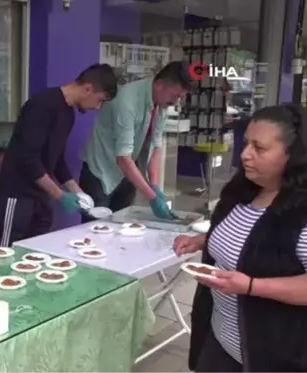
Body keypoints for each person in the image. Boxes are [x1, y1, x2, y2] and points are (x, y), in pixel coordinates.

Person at [173, 104, 307, 372]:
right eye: (246, 143)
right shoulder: (241, 191)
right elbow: (245, 239)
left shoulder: (299, 213)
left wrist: (251, 286)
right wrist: (203, 241)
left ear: (292, 155)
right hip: (219, 340)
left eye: (260, 148)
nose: (245, 155)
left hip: (273, 357)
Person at [0, 64, 118, 247]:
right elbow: (28, 158)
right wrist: (60, 195)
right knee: (6, 252)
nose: (97, 107)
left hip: (40, 195)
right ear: (88, 89)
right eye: (100, 100)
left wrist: (78, 193)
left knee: (35, 251)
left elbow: (57, 159)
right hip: (17, 194)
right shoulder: (41, 105)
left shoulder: (68, 114)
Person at [79, 61, 191, 221]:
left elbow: (156, 146)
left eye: (180, 97)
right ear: (159, 85)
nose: (176, 101)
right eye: (175, 95)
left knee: (123, 229)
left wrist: (154, 186)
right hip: (101, 171)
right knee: (96, 232)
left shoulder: (161, 104)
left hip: (127, 173)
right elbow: (123, 158)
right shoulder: (127, 100)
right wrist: (152, 198)